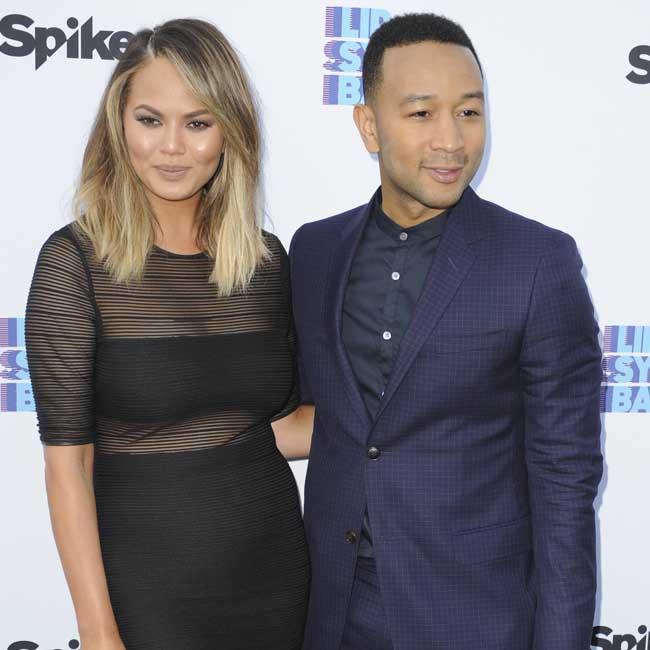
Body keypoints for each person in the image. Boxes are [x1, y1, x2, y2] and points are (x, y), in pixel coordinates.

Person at [289, 12, 602, 650]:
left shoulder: (536, 263)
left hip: (475, 616)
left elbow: (564, 479)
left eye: (468, 112)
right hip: (334, 610)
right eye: (422, 113)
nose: (451, 141)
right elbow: (308, 416)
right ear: (369, 125)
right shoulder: (315, 251)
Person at [25, 18, 312, 650]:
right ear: (118, 124)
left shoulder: (264, 261)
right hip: (146, 590)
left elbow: (280, 428)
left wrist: (418, 408)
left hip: (274, 577)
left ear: (230, 131)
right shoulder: (75, 262)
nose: (173, 147)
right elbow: (68, 464)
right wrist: (98, 632)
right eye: (150, 120)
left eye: (198, 122)